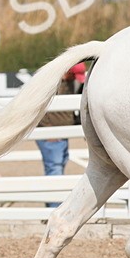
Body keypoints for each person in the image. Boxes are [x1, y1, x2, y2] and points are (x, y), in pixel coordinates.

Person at [35, 63, 86, 207]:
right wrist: (48, 130)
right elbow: (39, 108)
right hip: (52, 133)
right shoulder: (51, 84)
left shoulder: (68, 83)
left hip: (60, 132)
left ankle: (51, 205)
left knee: (58, 165)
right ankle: (53, 207)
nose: (76, 80)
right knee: (55, 168)